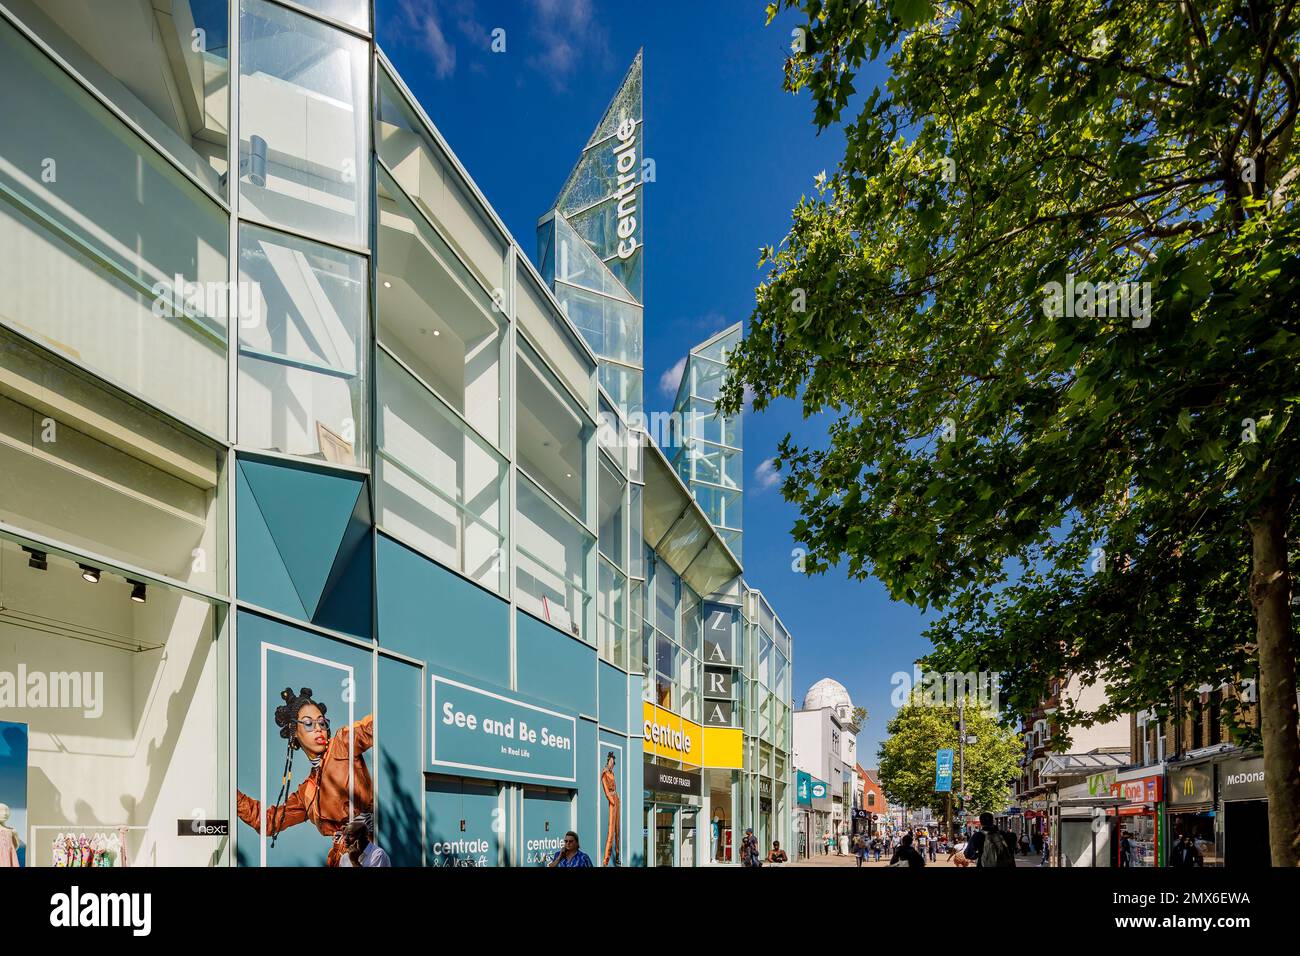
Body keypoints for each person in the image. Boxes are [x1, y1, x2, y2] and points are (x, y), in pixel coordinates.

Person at [236, 686, 374, 867]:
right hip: (342, 859)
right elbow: (269, 822)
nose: (318, 729)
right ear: (295, 734)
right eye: (308, 724)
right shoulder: (306, 792)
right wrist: (231, 795)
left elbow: (374, 725)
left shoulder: (342, 743)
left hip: (371, 852)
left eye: (322, 723)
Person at [600, 751, 621, 866]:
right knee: (611, 832)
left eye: (613, 762)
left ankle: (617, 855)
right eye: (610, 761)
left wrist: (617, 799)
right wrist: (612, 802)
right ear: (607, 761)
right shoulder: (604, 773)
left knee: (618, 830)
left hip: (616, 799)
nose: (612, 764)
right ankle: (605, 861)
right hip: (612, 800)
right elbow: (606, 790)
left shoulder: (612, 774)